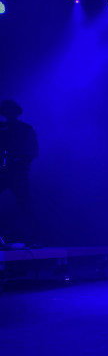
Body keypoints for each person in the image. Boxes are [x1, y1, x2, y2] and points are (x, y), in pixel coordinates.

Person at [0, 99, 39, 246]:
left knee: (25, 205)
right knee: (26, 206)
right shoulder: (1, 129)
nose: (9, 113)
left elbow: (33, 151)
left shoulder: (26, 129)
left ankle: (34, 239)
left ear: (17, 112)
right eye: (6, 110)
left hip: (18, 173)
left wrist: (19, 159)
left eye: (11, 110)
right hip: (2, 172)